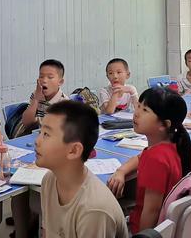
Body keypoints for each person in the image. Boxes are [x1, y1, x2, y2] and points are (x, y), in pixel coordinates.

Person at [36, 100, 128, 238]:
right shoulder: (49, 180)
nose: (37, 141)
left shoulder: (94, 209)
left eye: (46, 135)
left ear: (74, 150)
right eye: (40, 132)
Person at [107, 87, 191, 234]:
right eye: (138, 106)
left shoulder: (156, 159)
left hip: (145, 230)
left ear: (164, 124)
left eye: (145, 110)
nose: (137, 113)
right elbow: (140, 158)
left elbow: (152, 211)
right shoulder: (169, 146)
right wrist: (121, 171)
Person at [20, 59, 68, 131]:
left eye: (50, 77)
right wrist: (36, 99)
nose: (44, 81)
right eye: (41, 76)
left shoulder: (64, 103)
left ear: (60, 82)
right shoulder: (36, 94)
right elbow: (26, 122)